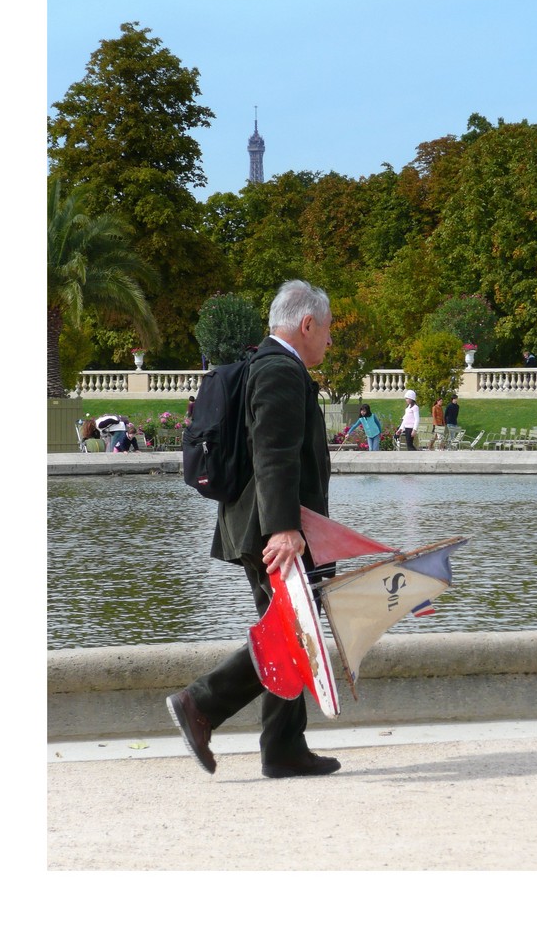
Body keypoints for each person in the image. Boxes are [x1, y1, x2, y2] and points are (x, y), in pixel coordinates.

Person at [166, 280, 341, 780]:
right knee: (290, 632)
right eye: (327, 331)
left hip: (265, 525)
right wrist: (284, 530)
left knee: (289, 629)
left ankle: (284, 747)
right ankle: (199, 704)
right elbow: (274, 454)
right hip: (274, 531)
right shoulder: (281, 371)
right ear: (307, 324)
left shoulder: (265, 364)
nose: (329, 341)